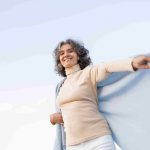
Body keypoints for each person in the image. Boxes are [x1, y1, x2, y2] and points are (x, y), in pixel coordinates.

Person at [50, 38, 150, 150]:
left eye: (70, 51)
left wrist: (132, 62)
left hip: (98, 140)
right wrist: (53, 118)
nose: (66, 55)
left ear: (78, 56)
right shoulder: (60, 87)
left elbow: (107, 67)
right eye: (62, 53)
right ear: (59, 60)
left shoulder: (88, 73)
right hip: (73, 145)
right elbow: (69, 112)